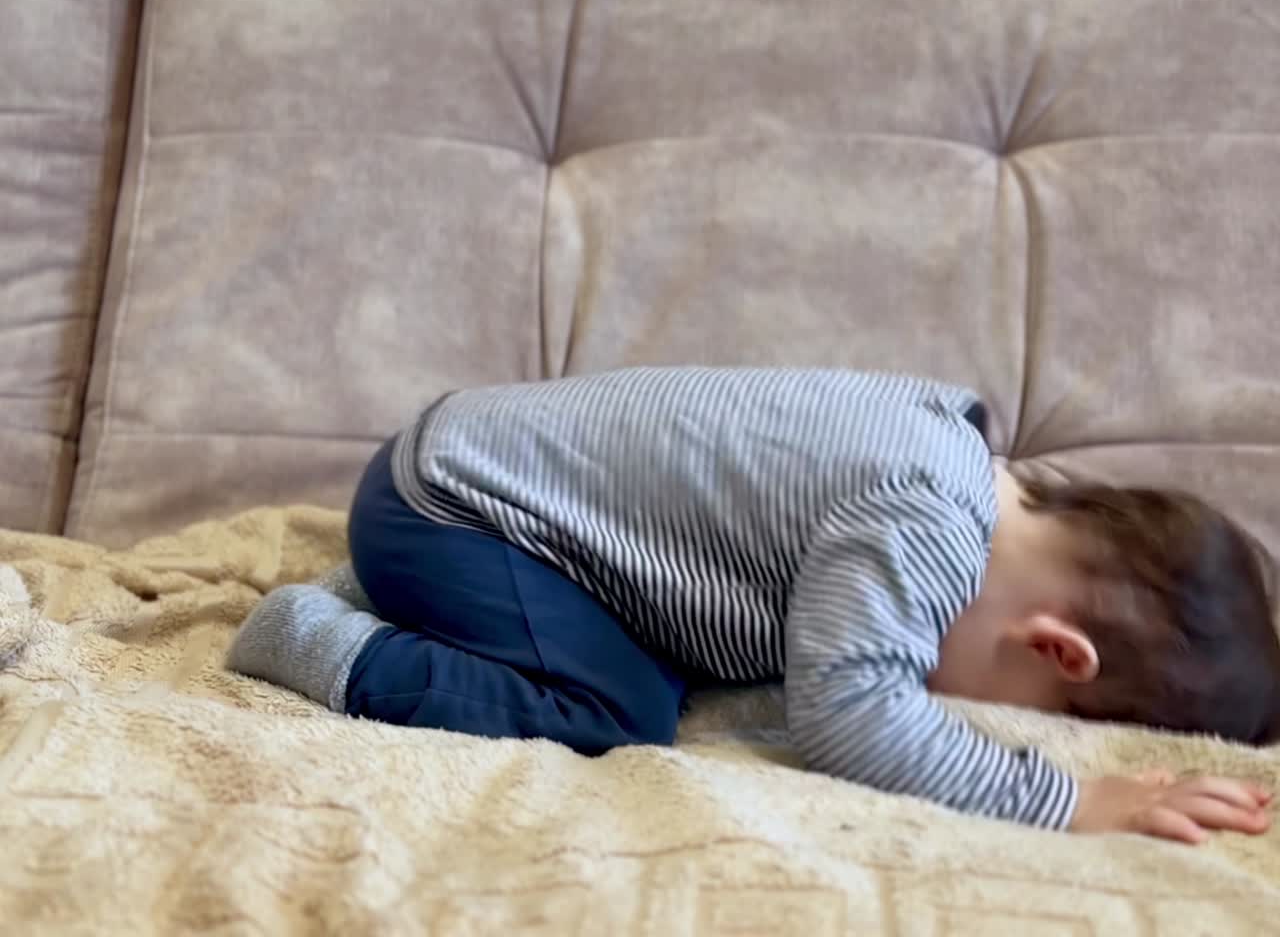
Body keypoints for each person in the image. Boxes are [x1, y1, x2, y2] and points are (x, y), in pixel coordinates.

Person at [228, 367, 1279, 843]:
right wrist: (1067, 799)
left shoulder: (950, 444)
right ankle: (327, 639)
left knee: (669, 656)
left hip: (467, 479)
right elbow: (848, 709)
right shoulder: (923, 530)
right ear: (1054, 650)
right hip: (453, 509)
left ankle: (415, 599)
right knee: (616, 708)